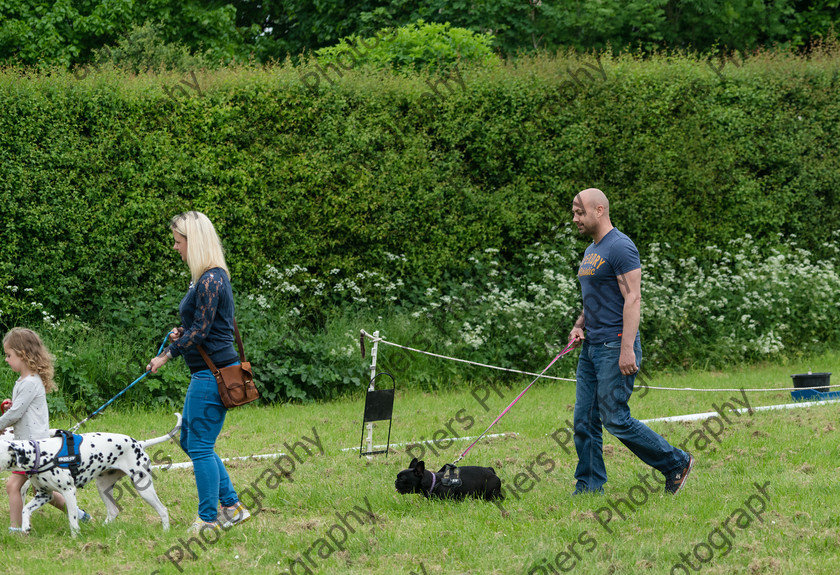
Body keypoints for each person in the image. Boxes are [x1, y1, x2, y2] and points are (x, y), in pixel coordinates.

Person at [568, 188, 694, 495]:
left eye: (580, 212)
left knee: (615, 419)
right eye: (574, 212)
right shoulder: (590, 251)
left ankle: (675, 462)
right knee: (583, 419)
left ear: (599, 210)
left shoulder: (620, 247)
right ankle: (588, 486)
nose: (575, 219)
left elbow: (633, 298)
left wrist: (627, 347)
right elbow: (595, 298)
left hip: (615, 344)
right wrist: (579, 325)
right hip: (592, 346)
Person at [146, 211, 251, 534]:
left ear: (195, 241)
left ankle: (208, 519)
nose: (176, 248)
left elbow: (203, 332)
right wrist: (183, 331)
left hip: (212, 375)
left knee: (200, 447)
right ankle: (231, 506)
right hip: (209, 372)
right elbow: (203, 326)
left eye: (178, 242)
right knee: (192, 441)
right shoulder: (208, 277)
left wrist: (166, 355)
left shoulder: (210, 279)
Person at [1, 328, 91, 533]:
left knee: (12, 486)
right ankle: (81, 515)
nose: (6, 360)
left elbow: (15, 415)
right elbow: (19, 410)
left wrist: (8, 415)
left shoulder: (30, 382)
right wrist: (11, 408)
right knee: (41, 490)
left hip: (32, 448)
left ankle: (16, 530)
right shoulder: (25, 381)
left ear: (22, 355)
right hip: (32, 444)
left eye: (9, 355)